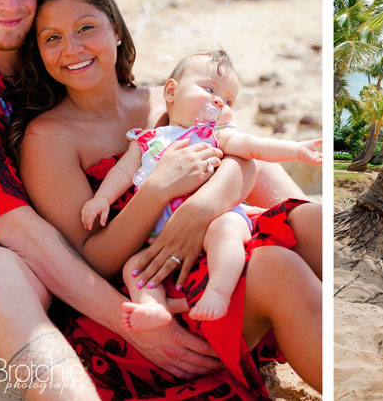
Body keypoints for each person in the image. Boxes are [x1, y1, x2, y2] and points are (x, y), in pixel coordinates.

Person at [0, 0, 314, 401]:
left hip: (161, 237)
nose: (11, 4)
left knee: (293, 211)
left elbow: (229, 146)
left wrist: (201, 209)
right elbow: (32, 238)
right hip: (26, 260)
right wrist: (135, 326)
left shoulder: (88, 68)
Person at [9, 0, 322, 395]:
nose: (72, 48)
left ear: (115, 30)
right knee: (280, 269)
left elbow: (243, 160)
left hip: (217, 236)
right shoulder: (48, 139)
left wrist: (200, 210)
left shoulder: (167, 98)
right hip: (152, 291)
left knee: (313, 221)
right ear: (39, 51)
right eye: (52, 38)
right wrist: (158, 190)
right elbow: (92, 260)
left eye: (85, 28)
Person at [78, 49, 322, 326]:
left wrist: (296, 150)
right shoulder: (146, 140)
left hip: (215, 220)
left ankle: (218, 292)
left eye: (228, 100)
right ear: (171, 91)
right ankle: (154, 306)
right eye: (209, 89)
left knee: (226, 231)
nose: (219, 101)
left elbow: (255, 147)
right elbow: (122, 172)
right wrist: (101, 198)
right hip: (160, 237)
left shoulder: (214, 135)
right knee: (134, 267)